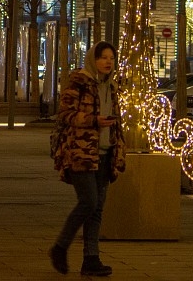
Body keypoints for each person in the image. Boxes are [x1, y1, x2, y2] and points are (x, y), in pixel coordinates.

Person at [49, 41, 126, 277]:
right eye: (103, 57)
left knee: (98, 208)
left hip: (104, 153)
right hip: (81, 151)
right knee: (89, 202)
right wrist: (94, 120)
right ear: (93, 59)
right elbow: (65, 114)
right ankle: (60, 247)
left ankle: (91, 258)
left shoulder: (111, 86)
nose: (108, 62)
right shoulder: (79, 81)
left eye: (111, 58)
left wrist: (118, 144)